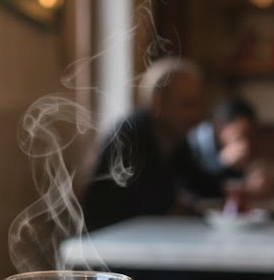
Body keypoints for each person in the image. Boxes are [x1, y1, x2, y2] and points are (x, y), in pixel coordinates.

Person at [81, 56, 221, 232]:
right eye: (187, 104)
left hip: (142, 236)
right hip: (109, 240)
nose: (196, 115)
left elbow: (200, 182)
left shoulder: (173, 137)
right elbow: (145, 205)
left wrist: (238, 187)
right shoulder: (129, 137)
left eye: (198, 105)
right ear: (158, 102)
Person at [187, 97, 274, 212]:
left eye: (248, 135)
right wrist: (222, 163)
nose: (245, 142)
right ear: (219, 123)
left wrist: (249, 175)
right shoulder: (192, 143)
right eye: (242, 133)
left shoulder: (225, 147)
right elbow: (198, 187)